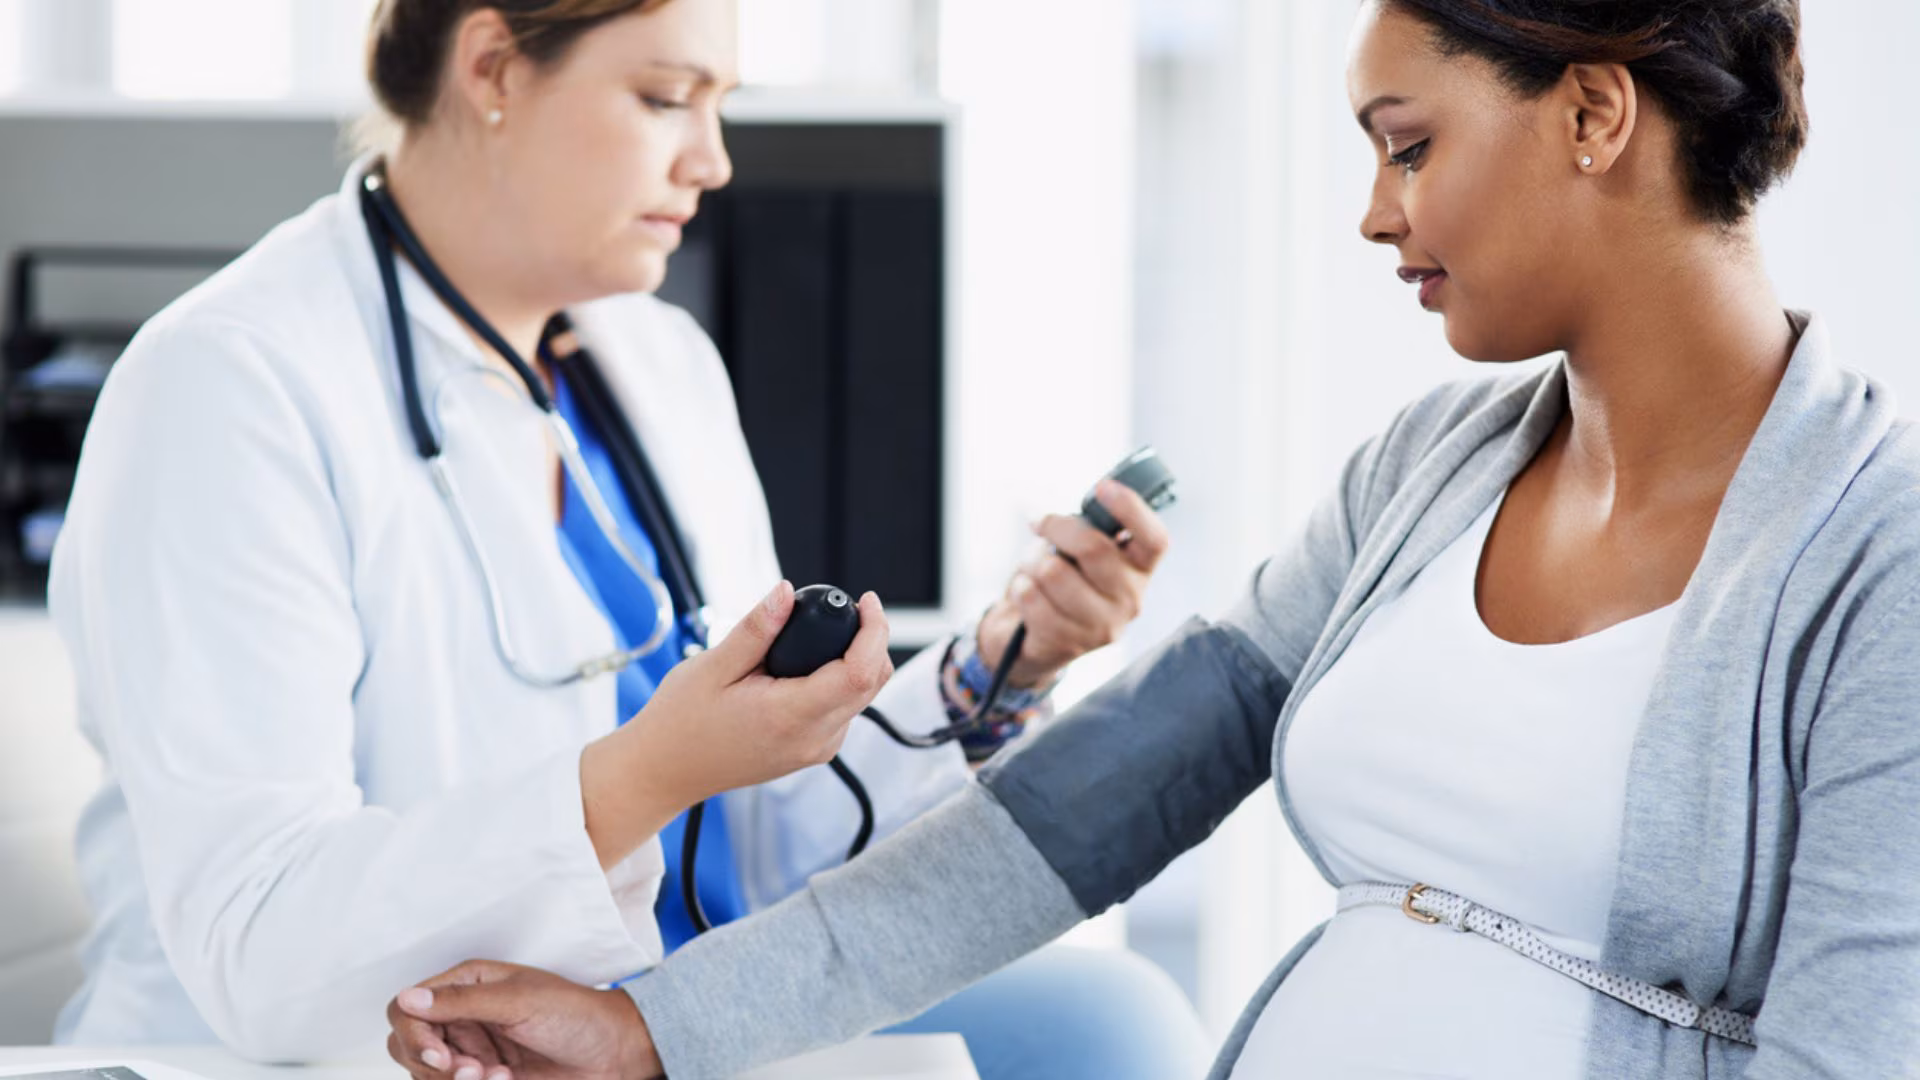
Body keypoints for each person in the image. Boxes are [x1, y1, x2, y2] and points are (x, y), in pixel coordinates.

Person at [386, 0, 1920, 1076]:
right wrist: (661, 1031)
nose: (1376, 218)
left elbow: (1857, 1047)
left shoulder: (1878, 551)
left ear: (1595, 114)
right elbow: (1071, 817)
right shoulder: (1429, 475)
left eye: (1407, 144)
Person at [47, 0, 1204, 1074]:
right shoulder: (228, 387)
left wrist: (1002, 659)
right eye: (665, 97)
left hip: (661, 1013)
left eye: (719, 104)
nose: (712, 160)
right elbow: (267, 952)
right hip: (334, 1056)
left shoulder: (656, 366)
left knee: (1114, 1019)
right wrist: (644, 776)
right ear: (493, 67)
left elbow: (745, 844)